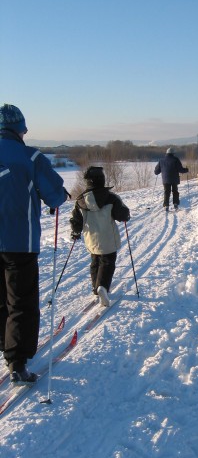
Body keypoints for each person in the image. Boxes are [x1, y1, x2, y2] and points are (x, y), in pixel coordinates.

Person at [0, 104, 68, 384]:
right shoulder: (31, 157)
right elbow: (55, 196)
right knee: (21, 302)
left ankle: (6, 345)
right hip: (20, 242)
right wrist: (59, 196)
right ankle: (17, 363)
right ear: (19, 129)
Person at [70, 166, 130, 307]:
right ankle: (102, 286)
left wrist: (75, 232)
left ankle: (95, 288)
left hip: (91, 239)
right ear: (102, 180)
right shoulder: (111, 198)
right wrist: (126, 214)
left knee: (95, 261)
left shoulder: (80, 200)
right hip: (108, 238)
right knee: (107, 263)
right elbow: (121, 215)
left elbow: (76, 222)